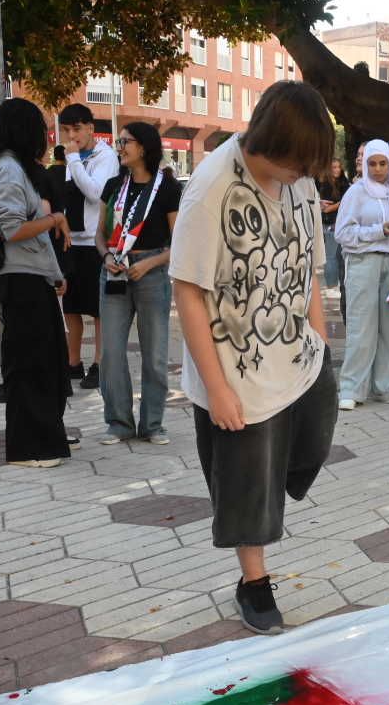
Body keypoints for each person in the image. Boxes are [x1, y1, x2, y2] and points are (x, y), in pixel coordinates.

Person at [169, 80, 337, 635]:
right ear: (271, 144)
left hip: (299, 351)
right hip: (236, 367)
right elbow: (187, 290)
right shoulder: (211, 187)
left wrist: (321, 339)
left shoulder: (300, 181)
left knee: (314, 442)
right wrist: (217, 389)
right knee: (249, 485)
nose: (303, 175)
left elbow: (310, 266)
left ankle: (266, 485)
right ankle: (254, 582)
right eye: (298, 164)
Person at [0, 98, 72, 468]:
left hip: (32, 277)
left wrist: (53, 274)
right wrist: (54, 220)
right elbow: (12, 228)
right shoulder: (7, 170)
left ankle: (46, 436)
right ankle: (30, 448)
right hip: (19, 280)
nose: (46, 137)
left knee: (46, 363)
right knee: (30, 365)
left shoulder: (15, 168)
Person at [95, 121, 181, 445]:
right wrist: (106, 256)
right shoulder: (114, 186)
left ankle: (153, 424)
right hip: (114, 271)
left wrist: (149, 263)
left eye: (125, 142)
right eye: (118, 142)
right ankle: (119, 423)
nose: (119, 147)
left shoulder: (168, 188)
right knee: (111, 352)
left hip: (151, 272)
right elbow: (99, 235)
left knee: (155, 354)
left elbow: (179, 243)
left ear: (143, 147)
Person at [335, 141, 389, 410]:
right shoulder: (356, 193)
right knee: (361, 327)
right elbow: (343, 234)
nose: (378, 169)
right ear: (365, 164)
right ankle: (351, 388)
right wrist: (378, 231)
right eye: (372, 163)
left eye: (383, 163)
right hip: (363, 262)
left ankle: (383, 386)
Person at [53, 104, 119, 389]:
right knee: (71, 305)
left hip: (95, 241)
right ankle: (73, 362)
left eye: (77, 129)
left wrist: (73, 160)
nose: (72, 136)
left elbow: (95, 193)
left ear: (91, 128)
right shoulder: (73, 157)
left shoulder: (106, 156)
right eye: (66, 130)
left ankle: (100, 364)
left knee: (98, 309)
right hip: (72, 240)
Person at [315, 158, 349, 304]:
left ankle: (334, 284)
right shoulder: (325, 184)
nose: (336, 170)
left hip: (340, 223)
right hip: (328, 224)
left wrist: (331, 207)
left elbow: (344, 202)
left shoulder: (344, 183)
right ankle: (331, 285)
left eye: (338, 167)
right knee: (330, 255)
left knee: (337, 255)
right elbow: (323, 206)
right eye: (333, 167)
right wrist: (332, 207)